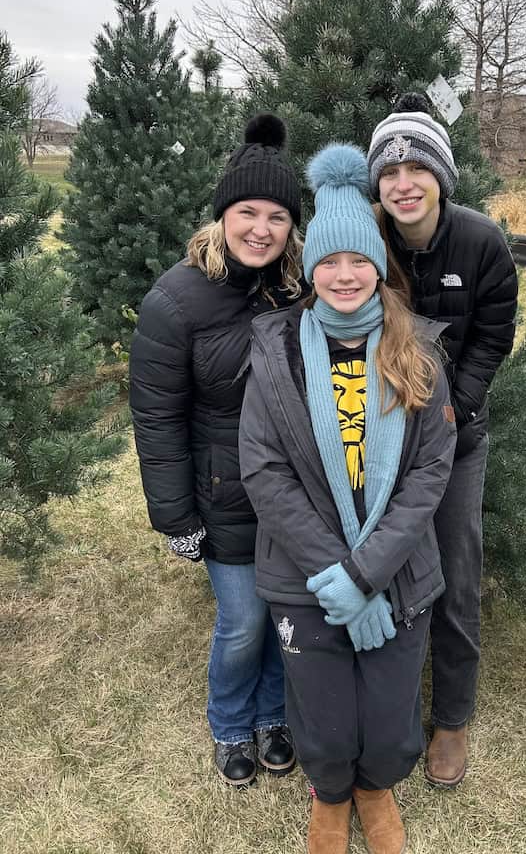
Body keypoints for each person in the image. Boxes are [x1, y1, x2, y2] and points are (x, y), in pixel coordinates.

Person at [238, 143, 457, 854]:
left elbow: (430, 472)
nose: (343, 274)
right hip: (307, 576)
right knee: (325, 712)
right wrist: (332, 571)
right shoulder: (274, 351)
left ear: (376, 265)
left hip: (396, 570)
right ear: (309, 268)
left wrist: (366, 576)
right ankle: (331, 793)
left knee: (391, 710)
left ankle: (377, 787)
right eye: (329, 261)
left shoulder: (417, 349)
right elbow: (263, 470)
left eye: (357, 260)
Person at [129, 114, 302, 786]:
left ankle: (273, 715)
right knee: (243, 622)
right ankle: (230, 725)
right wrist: (177, 519)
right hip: (223, 493)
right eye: (247, 211)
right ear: (222, 215)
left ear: (292, 226)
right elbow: (157, 417)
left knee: (285, 614)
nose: (261, 228)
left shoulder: (298, 289)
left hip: (292, 494)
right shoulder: (175, 302)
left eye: (277, 216)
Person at [367, 93, 518, 788]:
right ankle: (389, 707)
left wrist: (453, 412)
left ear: (440, 177)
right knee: (387, 566)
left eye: (416, 168)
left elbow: (492, 336)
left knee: (456, 572)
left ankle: (452, 717)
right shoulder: (364, 243)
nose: (403, 183)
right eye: (389, 172)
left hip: (456, 439)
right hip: (378, 436)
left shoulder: (481, 243)